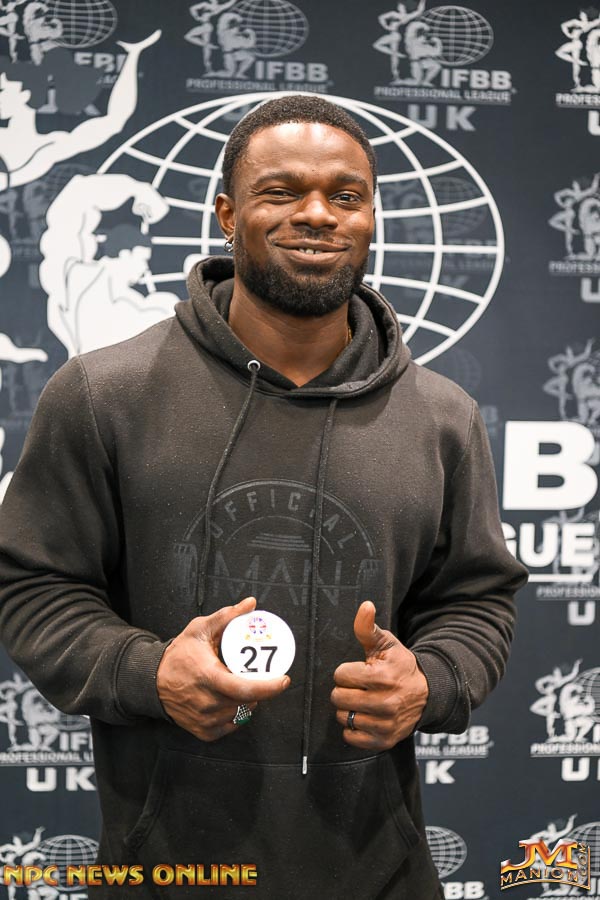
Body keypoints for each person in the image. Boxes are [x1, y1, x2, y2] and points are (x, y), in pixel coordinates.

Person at [0, 95, 527, 898]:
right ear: (226, 213)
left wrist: (432, 680)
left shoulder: (442, 418)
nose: (317, 214)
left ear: (371, 219)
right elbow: (35, 587)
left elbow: (476, 599)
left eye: (345, 196)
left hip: (378, 871)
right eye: (281, 192)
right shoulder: (104, 395)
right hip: (166, 869)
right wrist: (148, 672)